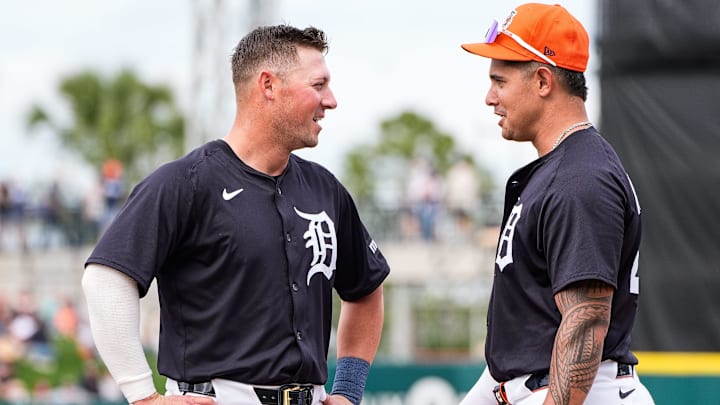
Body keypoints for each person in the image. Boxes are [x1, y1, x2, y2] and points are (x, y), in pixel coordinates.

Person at [81, 24, 390, 405]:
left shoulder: (325, 189)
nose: (331, 100)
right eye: (318, 85)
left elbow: (366, 289)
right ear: (268, 85)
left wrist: (349, 390)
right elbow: (106, 279)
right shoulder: (186, 182)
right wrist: (143, 396)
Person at [458, 4, 655, 405]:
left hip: (576, 392)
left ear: (543, 81)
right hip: (538, 384)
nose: (489, 97)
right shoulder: (564, 167)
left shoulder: (580, 178)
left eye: (500, 81)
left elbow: (586, 324)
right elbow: (532, 323)